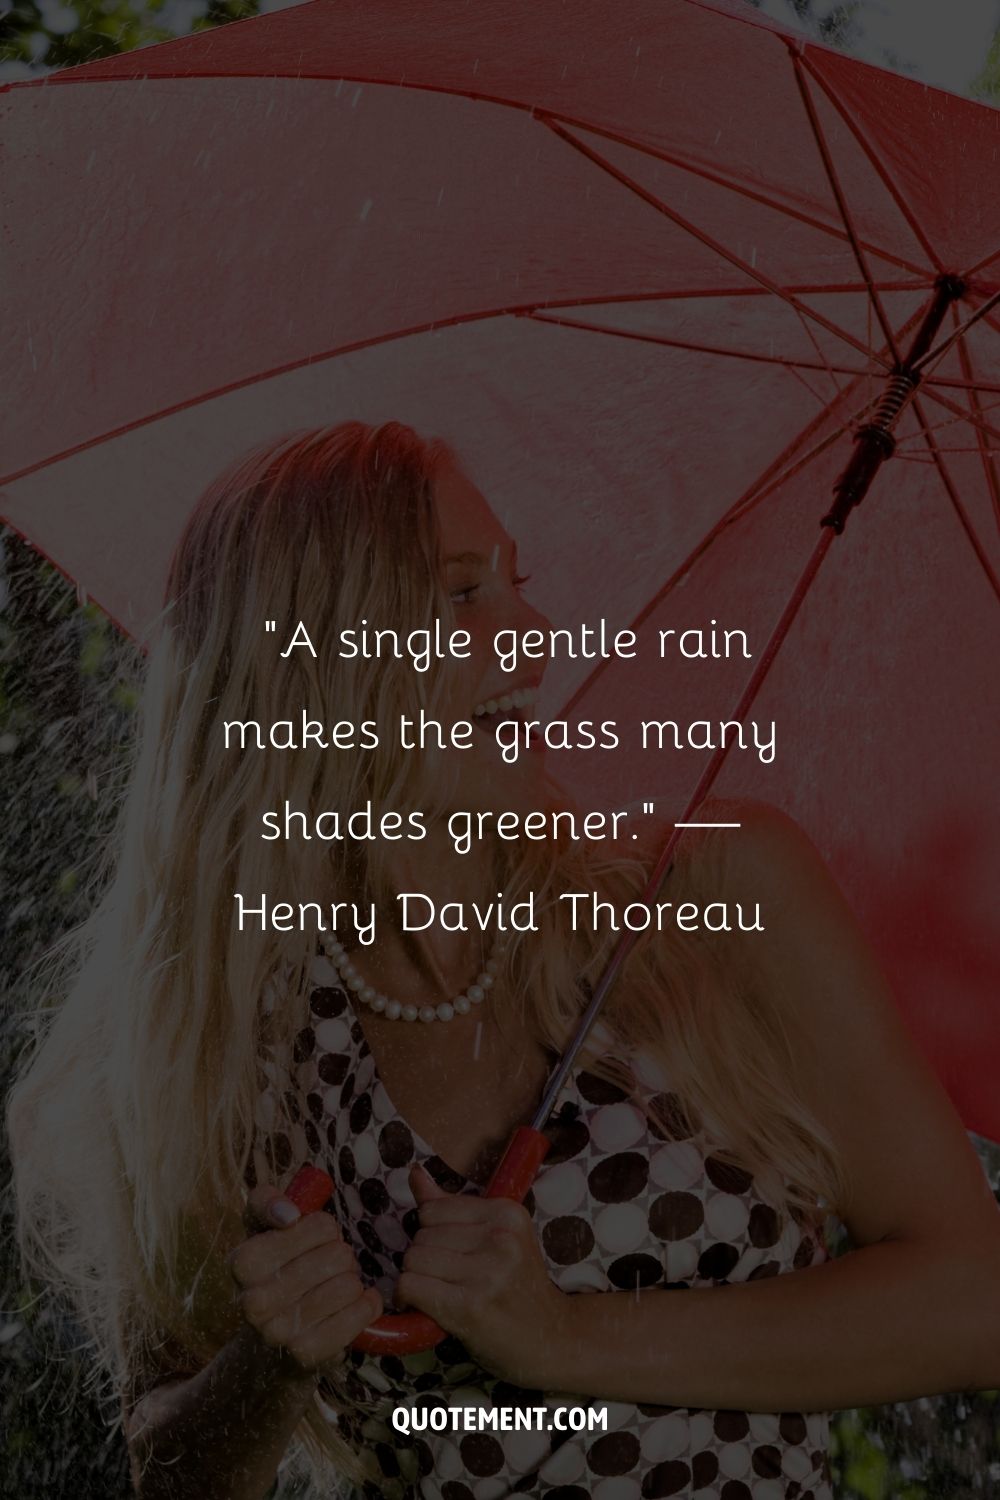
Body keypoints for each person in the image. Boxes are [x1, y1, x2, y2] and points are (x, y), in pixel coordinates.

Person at [8, 420, 1000, 1500]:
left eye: (515, 585)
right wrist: (269, 1365)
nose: (531, 633)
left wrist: (566, 1339)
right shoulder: (218, 1032)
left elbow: (972, 1301)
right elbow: (170, 1465)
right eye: (460, 595)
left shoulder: (708, 892)